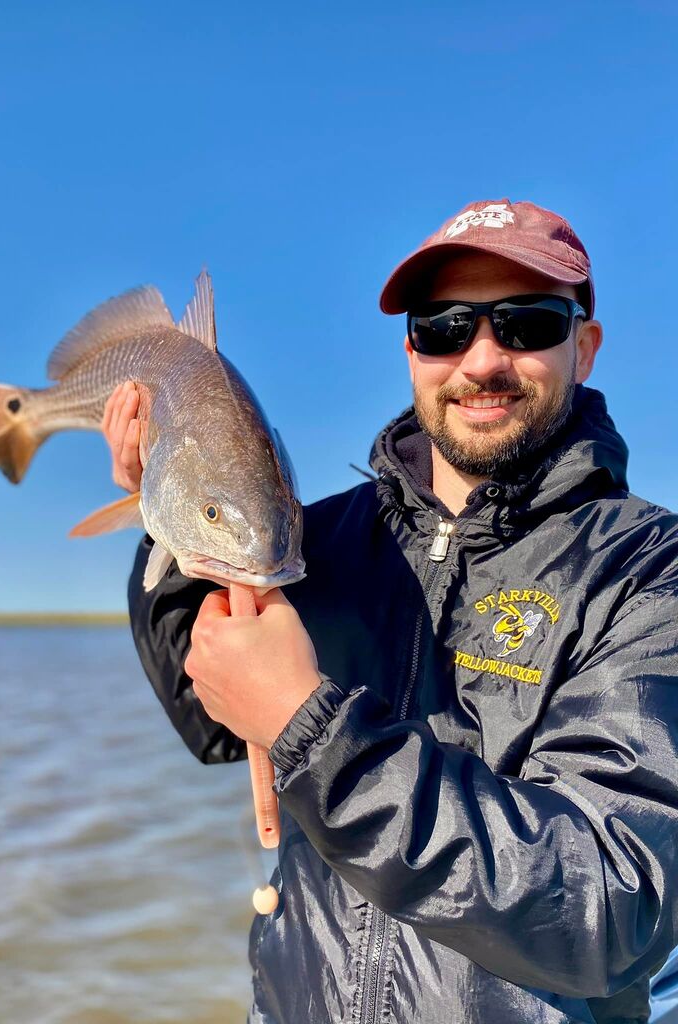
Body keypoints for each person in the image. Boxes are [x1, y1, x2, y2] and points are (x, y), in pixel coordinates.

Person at [107, 199, 678, 1023]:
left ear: (583, 346)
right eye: (445, 327)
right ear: (412, 352)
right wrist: (162, 516)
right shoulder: (321, 540)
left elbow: (609, 907)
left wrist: (312, 732)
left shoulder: (647, 569)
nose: (483, 358)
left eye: (527, 323)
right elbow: (211, 724)